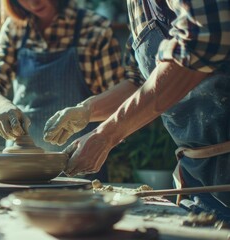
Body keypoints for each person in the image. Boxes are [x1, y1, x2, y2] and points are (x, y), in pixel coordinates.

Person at [44, 0, 230, 221]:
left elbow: (204, 40)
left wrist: (106, 135)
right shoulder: (135, 6)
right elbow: (142, 82)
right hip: (197, 173)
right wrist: (86, 110)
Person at [0, 0, 136, 181]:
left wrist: (88, 114)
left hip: (80, 167)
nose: (33, 2)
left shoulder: (93, 28)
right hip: (18, 168)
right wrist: (2, 107)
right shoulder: (15, 29)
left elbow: (124, 99)